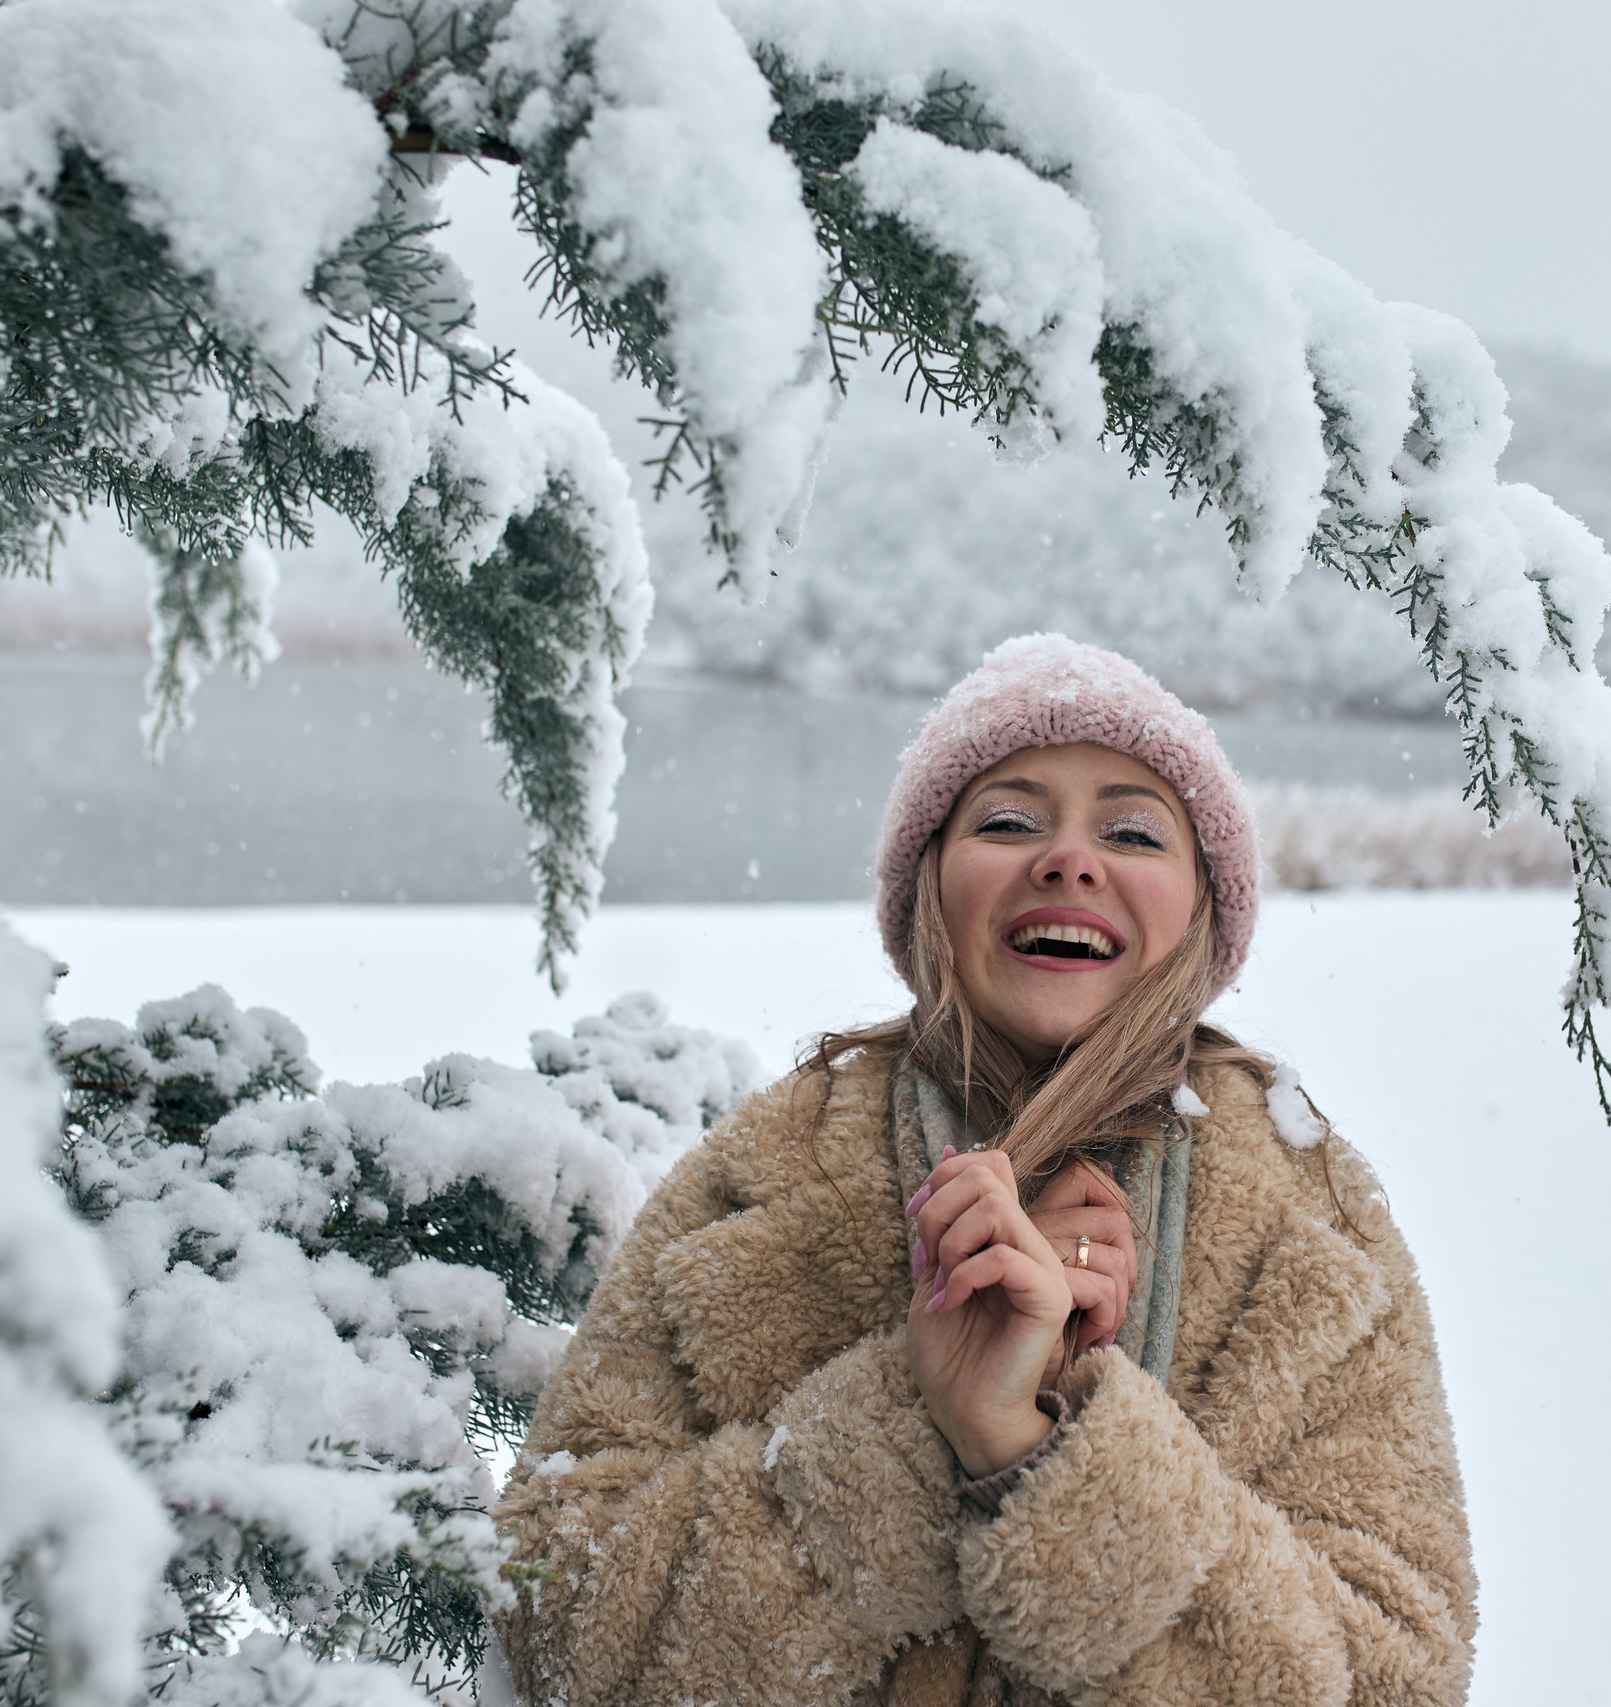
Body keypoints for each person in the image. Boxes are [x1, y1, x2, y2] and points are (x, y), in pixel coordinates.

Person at [494, 635, 1478, 1707]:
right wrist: (914, 1421)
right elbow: (557, 1628)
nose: (1068, 860)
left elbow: (1395, 1678)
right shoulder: (763, 1175)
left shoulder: (1307, 1220)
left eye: (1133, 831)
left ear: (1203, 908)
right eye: (1006, 821)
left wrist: (1045, 1457)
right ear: (928, 891)